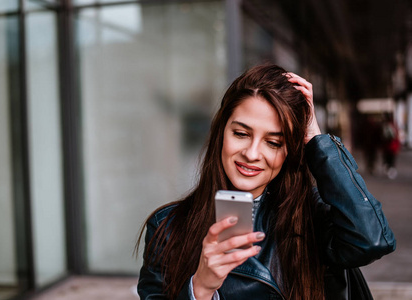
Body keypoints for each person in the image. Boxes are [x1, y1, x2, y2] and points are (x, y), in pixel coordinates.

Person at [137, 64, 396, 300]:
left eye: (273, 142)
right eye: (240, 133)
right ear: (221, 133)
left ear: (289, 152)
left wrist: (316, 139)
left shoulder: (312, 217)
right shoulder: (168, 228)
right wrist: (200, 289)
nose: (251, 154)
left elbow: (371, 240)